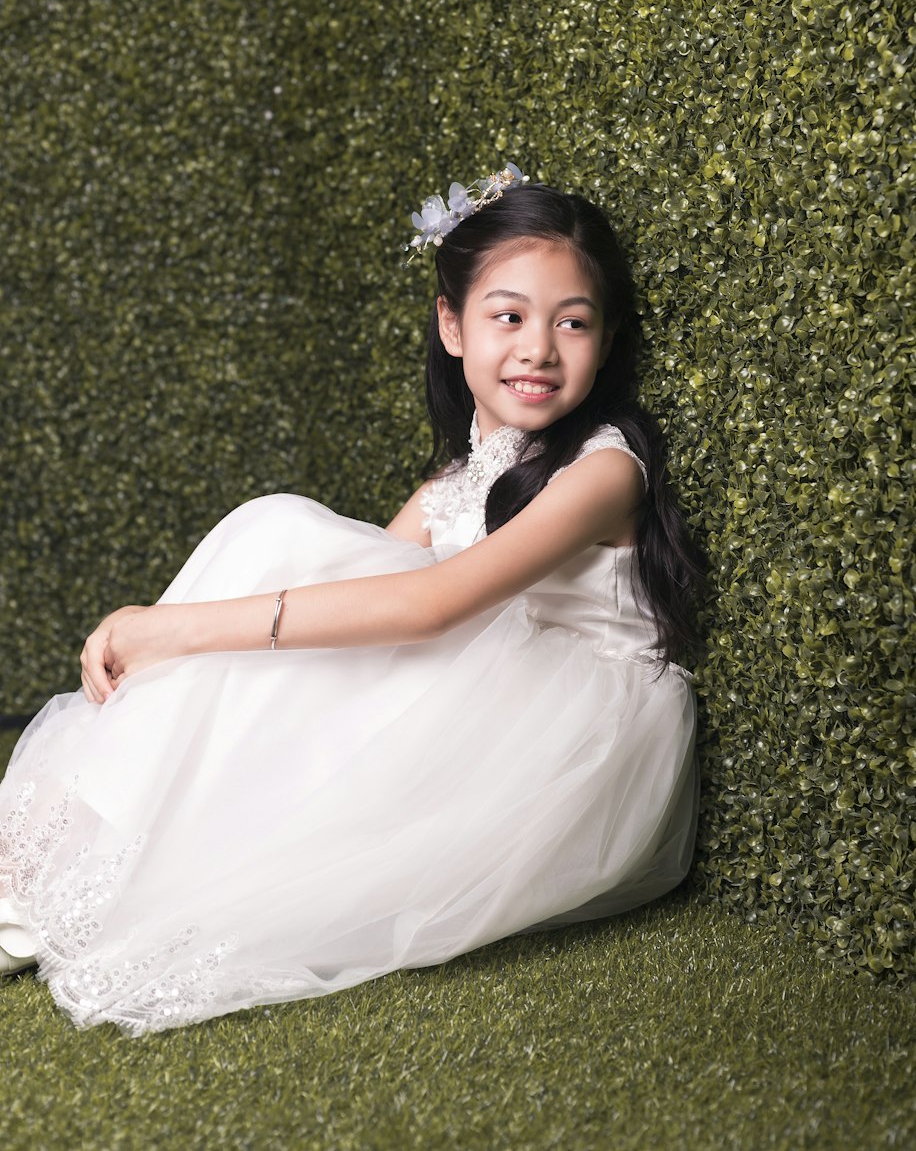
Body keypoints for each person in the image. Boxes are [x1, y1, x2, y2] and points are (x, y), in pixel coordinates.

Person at [0, 167, 709, 1035]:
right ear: (452, 326)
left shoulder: (602, 469)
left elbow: (429, 607)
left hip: (569, 732)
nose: (539, 349)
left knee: (274, 535)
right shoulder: (462, 474)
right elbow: (353, 594)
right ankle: (55, 863)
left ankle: (51, 887)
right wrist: (192, 642)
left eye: (573, 322)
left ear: (604, 339)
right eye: (509, 316)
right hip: (481, 677)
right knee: (282, 585)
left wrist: (173, 629)